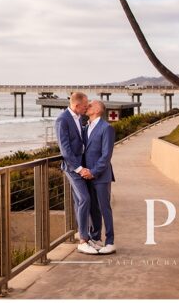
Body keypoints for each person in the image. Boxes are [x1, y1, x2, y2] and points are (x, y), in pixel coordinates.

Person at [54, 91, 98, 255]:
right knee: (84, 199)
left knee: (81, 200)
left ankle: (87, 236)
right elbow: (65, 150)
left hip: (83, 164)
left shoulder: (80, 118)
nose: (87, 108)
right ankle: (83, 239)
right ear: (77, 105)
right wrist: (80, 169)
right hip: (73, 168)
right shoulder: (62, 120)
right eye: (85, 105)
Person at [80, 100, 117, 254]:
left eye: (90, 105)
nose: (87, 106)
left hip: (100, 176)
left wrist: (93, 172)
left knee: (104, 208)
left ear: (96, 109)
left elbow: (106, 155)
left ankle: (110, 241)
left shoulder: (106, 128)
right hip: (87, 176)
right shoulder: (85, 127)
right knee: (93, 208)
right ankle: (96, 238)